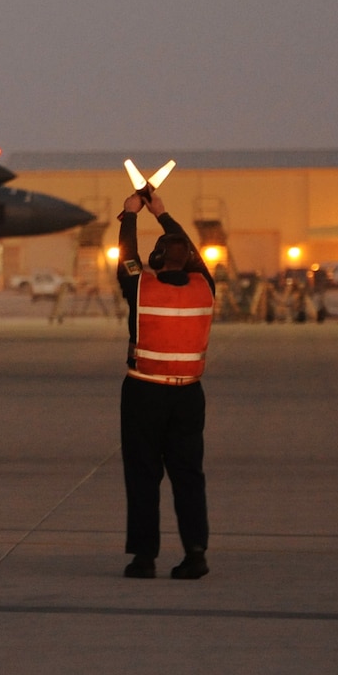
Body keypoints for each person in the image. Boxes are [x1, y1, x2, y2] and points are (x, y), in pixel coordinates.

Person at [115, 187, 214, 580]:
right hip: (189, 394)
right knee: (189, 476)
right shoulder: (205, 287)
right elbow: (199, 259)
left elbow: (126, 259)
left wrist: (130, 215)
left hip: (144, 391)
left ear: (156, 259)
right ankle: (196, 552)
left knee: (142, 475)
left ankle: (144, 557)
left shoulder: (142, 288)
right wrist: (164, 214)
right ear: (190, 260)